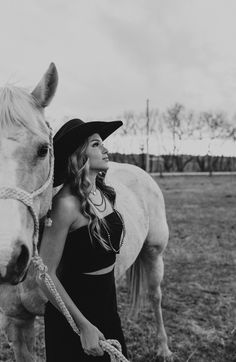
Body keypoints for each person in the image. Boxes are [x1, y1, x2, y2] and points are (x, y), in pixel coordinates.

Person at [39, 118, 127, 361]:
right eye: (96, 144)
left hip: (107, 304)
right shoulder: (65, 205)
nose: (105, 149)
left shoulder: (103, 193)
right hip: (74, 313)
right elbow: (44, 274)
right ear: (79, 154)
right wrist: (82, 326)